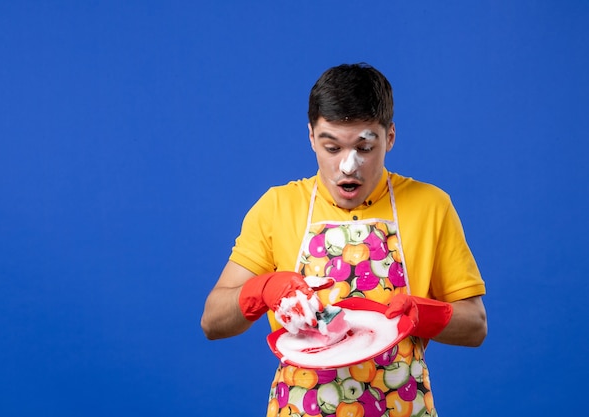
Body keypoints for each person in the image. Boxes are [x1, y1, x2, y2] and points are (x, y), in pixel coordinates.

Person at [201, 63, 487, 417]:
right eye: (332, 147)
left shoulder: (431, 207)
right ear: (311, 137)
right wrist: (261, 291)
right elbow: (212, 321)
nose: (348, 167)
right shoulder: (277, 207)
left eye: (364, 148)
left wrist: (421, 314)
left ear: (390, 137)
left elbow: (475, 326)